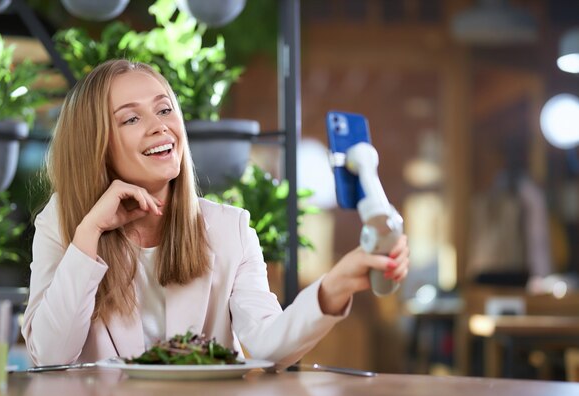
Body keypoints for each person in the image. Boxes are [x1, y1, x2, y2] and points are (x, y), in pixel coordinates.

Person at [22, 59, 409, 368]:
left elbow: (269, 345)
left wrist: (335, 286)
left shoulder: (230, 228)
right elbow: (50, 355)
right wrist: (89, 233)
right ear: (95, 144)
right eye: (131, 118)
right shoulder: (65, 223)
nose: (160, 127)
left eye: (164, 109)